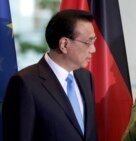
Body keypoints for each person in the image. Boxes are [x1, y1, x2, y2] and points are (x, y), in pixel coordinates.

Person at [2, 9, 98, 141]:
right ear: (64, 44)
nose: (93, 49)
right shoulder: (25, 83)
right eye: (89, 42)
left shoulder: (86, 78)